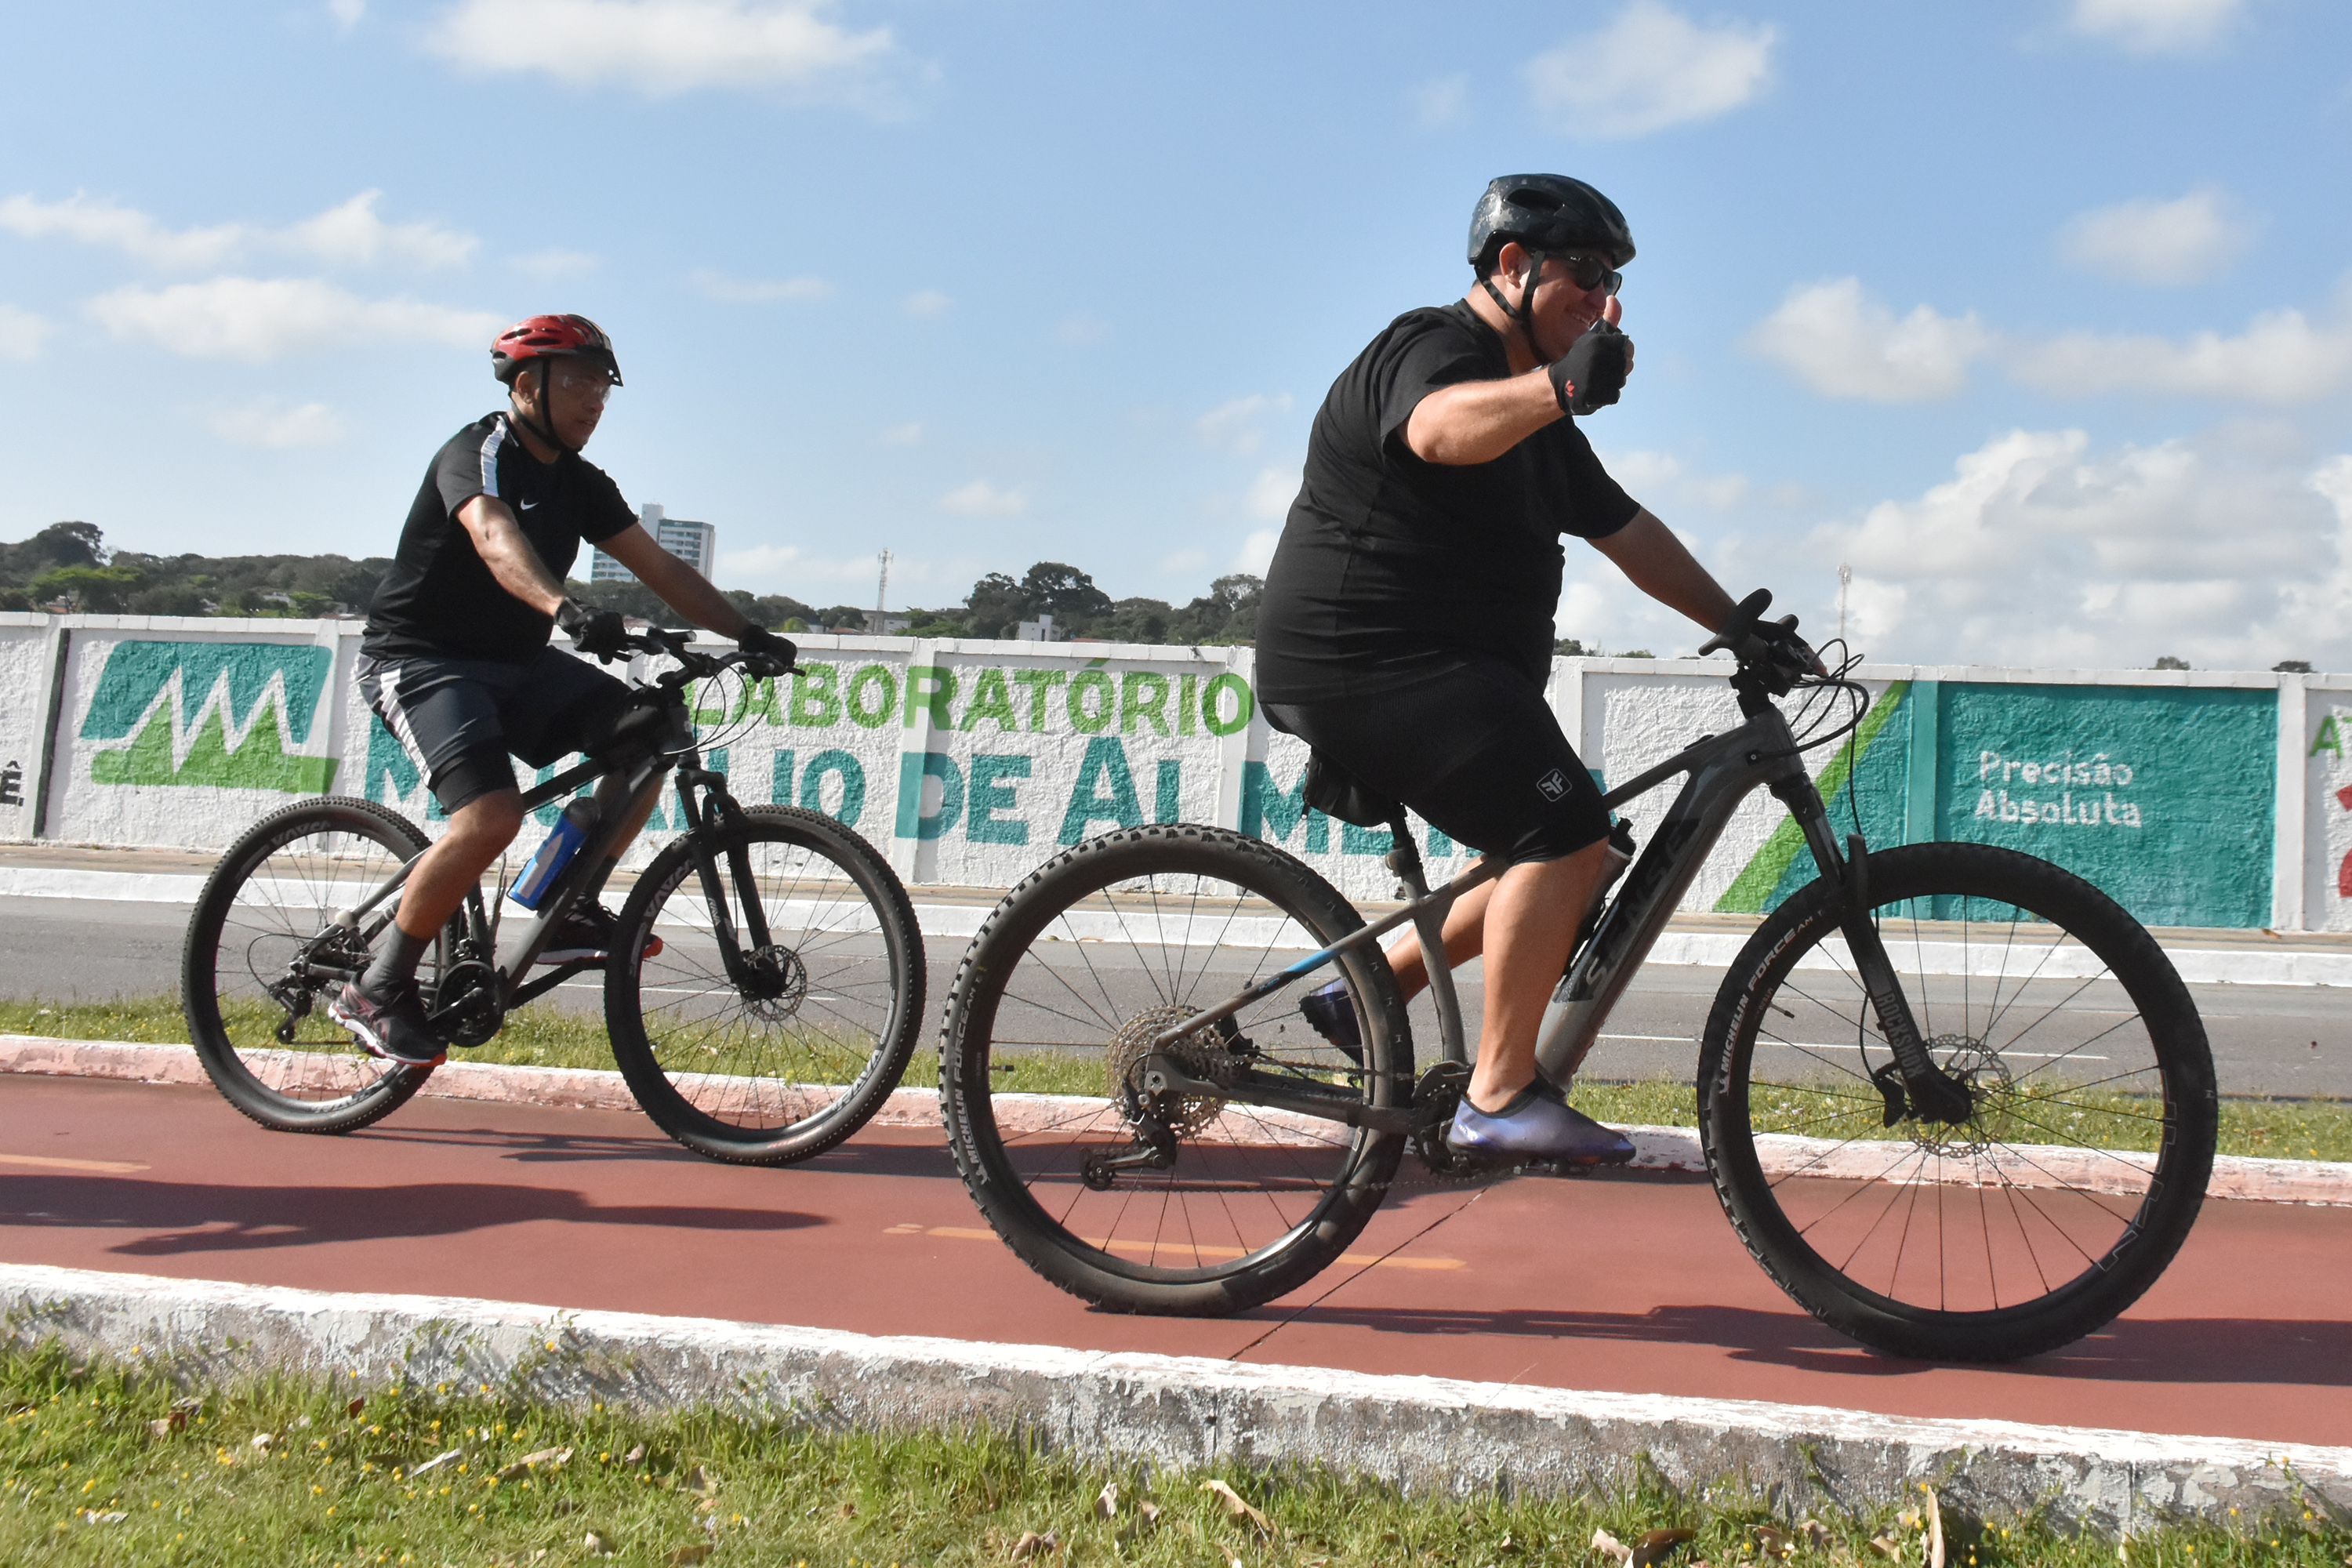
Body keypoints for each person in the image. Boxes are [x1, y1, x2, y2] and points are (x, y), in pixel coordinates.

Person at [1255, 175, 1778, 1166]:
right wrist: (1559, 386)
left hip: (1435, 664)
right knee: (1562, 836)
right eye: (1585, 273)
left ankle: (1360, 985)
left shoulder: (1541, 430)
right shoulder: (1433, 347)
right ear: (1511, 266)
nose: (1603, 298)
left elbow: (1629, 531)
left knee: (1587, 855)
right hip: (1361, 656)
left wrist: (1740, 625)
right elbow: (1435, 430)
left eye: (1614, 280)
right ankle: (1495, 1096)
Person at [336, 313, 796, 1067]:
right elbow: (493, 537)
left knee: (650, 734)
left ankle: (566, 900)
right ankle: (377, 985)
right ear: (526, 385)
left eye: (603, 390)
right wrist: (566, 608)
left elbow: (664, 571)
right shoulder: (478, 450)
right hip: (422, 660)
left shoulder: (581, 484)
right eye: (579, 383)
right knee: (490, 819)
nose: (594, 403)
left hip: (516, 665)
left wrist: (747, 633)